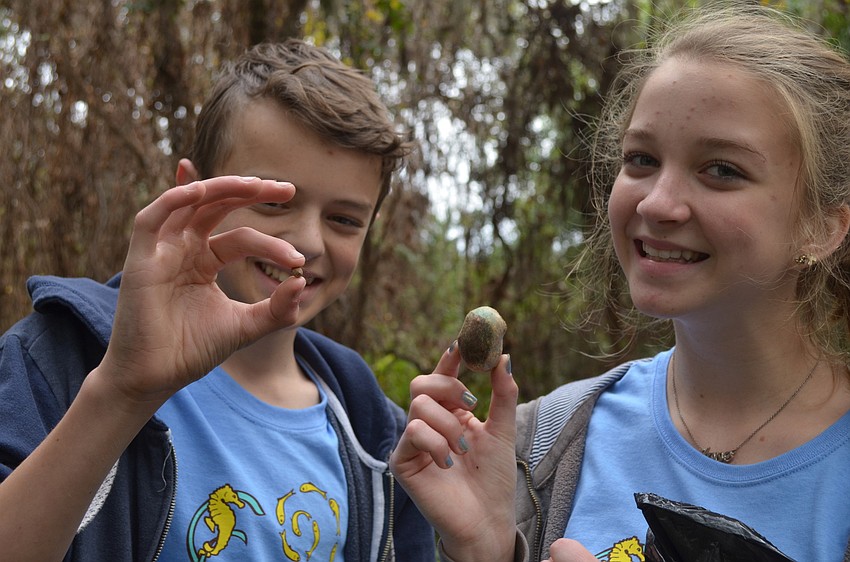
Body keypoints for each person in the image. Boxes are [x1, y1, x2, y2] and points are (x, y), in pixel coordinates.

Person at [389, 3, 850, 561]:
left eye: (722, 169)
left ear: (821, 226)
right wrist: (487, 551)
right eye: (641, 159)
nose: (657, 203)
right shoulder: (545, 446)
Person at [0, 39, 435, 561]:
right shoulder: (58, 360)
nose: (309, 242)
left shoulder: (375, 436)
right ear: (193, 193)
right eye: (274, 202)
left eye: (344, 219)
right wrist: (121, 393)